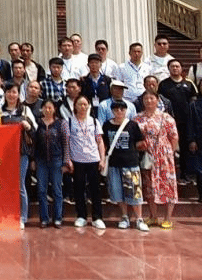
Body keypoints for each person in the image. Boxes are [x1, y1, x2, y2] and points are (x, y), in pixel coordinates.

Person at [101, 100, 149, 232]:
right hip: (114, 164)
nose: (119, 112)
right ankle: (124, 217)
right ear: (112, 111)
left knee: (134, 192)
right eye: (116, 109)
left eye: (122, 109)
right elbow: (104, 144)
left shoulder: (132, 125)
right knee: (118, 192)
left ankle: (139, 219)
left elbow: (140, 142)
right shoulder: (107, 125)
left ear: (126, 110)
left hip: (130, 163)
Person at [135, 90, 179, 229]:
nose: (149, 101)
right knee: (149, 186)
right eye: (146, 98)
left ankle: (168, 218)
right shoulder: (137, 118)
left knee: (167, 184)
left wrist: (169, 153)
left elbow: (174, 136)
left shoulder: (166, 117)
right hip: (147, 156)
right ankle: (153, 216)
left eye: (151, 98)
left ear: (157, 100)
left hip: (164, 155)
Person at [63, 95, 106, 230]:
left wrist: (102, 159)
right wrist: (68, 159)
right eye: (80, 104)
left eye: (85, 104)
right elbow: (66, 142)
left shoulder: (94, 122)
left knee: (95, 190)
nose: (82, 107)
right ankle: (81, 216)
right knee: (79, 189)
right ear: (75, 106)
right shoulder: (69, 122)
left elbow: (100, 141)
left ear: (89, 106)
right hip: (77, 160)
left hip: (93, 159)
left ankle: (97, 217)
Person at [0, 84, 34, 227]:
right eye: (8, 92)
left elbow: (34, 130)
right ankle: (7, 214)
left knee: (20, 185)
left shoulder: (25, 110)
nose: (11, 95)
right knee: (6, 185)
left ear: (19, 94)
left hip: (21, 153)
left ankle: (22, 217)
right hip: (4, 154)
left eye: (14, 92)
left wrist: (28, 126)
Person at [159, 59, 197, 183]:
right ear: (168, 69)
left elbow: (194, 100)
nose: (175, 68)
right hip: (169, 122)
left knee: (186, 148)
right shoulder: (163, 84)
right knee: (169, 148)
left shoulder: (189, 83)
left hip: (186, 122)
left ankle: (186, 174)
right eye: (172, 66)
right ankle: (170, 174)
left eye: (177, 66)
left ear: (181, 68)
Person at [34, 98, 65, 228]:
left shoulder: (60, 123)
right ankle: (44, 219)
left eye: (50, 107)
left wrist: (65, 161)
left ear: (54, 109)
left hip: (56, 160)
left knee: (57, 190)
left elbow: (65, 143)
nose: (47, 110)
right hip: (41, 161)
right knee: (42, 190)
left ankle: (57, 218)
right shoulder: (38, 123)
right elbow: (34, 144)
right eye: (45, 107)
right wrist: (33, 160)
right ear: (41, 109)